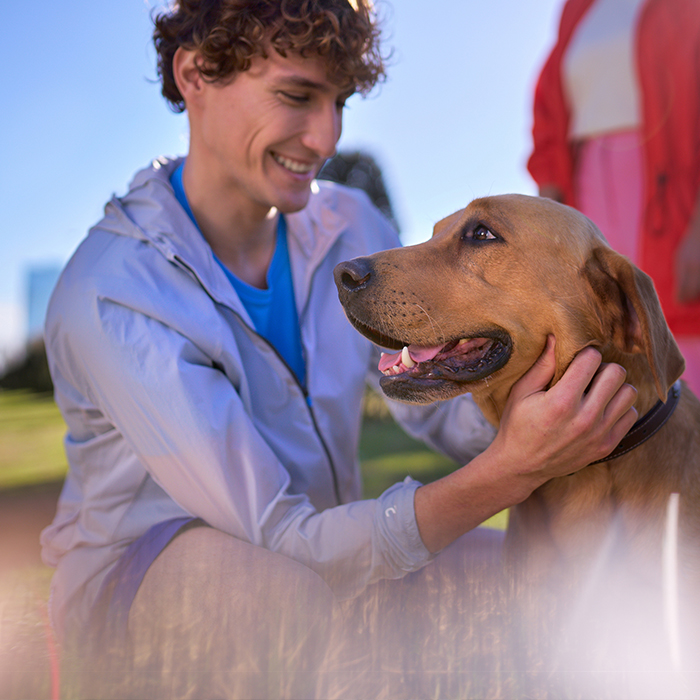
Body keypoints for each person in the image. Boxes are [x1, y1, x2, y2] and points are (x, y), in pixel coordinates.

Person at [40, 0, 638, 697]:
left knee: (520, 584)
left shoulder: (348, 223)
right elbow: (282, 538)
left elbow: (437, 409)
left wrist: (560, 412)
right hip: (143, 587)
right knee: (271, 597)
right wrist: (509, 471)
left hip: (321, 548)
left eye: (339, 101)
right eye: (297, 96)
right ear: (196, 73)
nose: (325, 136)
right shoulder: (117, 290)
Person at [528, 0, 700, 396]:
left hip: (668, 183)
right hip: (585, 179)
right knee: (606, 327)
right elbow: (550, 105)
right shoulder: (577, 9)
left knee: (676, 322)